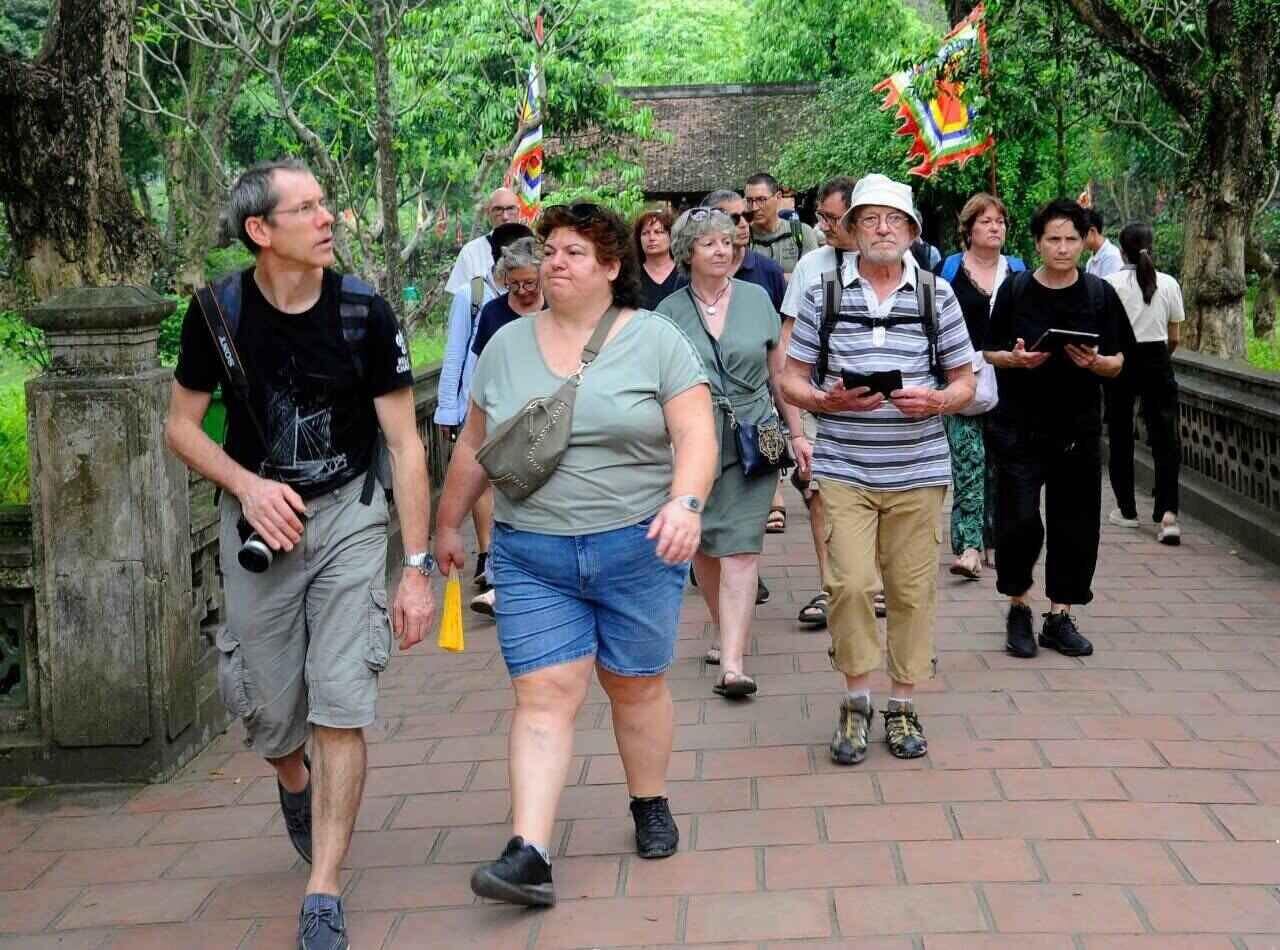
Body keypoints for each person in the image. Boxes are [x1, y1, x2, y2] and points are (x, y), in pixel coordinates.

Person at [164, 159, 434, 950]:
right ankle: (292, 778)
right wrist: (247, 486)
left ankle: (324, 887)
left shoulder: (363, 313)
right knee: (273, 710)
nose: (328, 220)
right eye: (308, 208)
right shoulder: (216, 312)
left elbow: (406, 447)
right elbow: (180, 427)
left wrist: (414, 569)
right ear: (260, 231)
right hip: (257, 526)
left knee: (339, 700)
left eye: (327, 204)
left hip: (349, 516)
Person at [434, 202, 717, 907]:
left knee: (635, 684)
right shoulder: (503, 345)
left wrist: (685, 503)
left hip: (638, 545)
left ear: (611, 268)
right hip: (533, 554)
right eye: (549, 250)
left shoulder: (655, 338)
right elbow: (475, 444)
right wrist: (444, 528)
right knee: (543, 695)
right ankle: (528, 850)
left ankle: (648, 799)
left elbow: (696, 433)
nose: (553, 262)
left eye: (573, 253)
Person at [779, 173, 976, 766]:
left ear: (913, 231)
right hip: (845, 466)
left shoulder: (936, 296)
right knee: (850, 585)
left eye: (894, 220)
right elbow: (792, 377)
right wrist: (826, 401)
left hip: (918, 468)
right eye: (870, 220)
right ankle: (856, 700)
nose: (882, 229)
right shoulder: (824, 295)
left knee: (913, 592)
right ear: (850, 231)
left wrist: (937, 400)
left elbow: (966, 380)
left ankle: (903, 704)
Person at [657, 207, 803, 698]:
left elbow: (779, 373)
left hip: (754, 433)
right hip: (693, 437)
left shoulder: (759, 298)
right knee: (704, 545)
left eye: (727, 242)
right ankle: (724, 632)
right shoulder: (668, 313)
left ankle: (734, 664)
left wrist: (798, 434)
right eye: (709, 243)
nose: (722, 250)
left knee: (741, 547)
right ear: (687, 253)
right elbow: (656, 387)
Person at [984, 199, 1132, 660]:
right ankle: (1018, 607)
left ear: (1084, 241)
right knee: (1019, 520)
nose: (1063, 247)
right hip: (1019, 428)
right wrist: (1015, 358)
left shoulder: (1098, 294)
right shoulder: (1015, 290)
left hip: (1078, 430)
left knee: (1075, 525)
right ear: (1037, 242)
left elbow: (1120, 361)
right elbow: (988, 351)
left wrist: (1097, 362)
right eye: (1054, 239)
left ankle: (1060, 615)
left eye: (1071, 239)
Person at [435, 222, 534, 611]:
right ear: (504, 278)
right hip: (499, 418)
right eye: (517, 284)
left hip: (548, 419)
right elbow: (468, 362)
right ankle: (499, 577)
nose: (525, 293)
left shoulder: (558, 308)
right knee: (500, 497)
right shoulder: (488, 309)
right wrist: (455, 410)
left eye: (532, 284)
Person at [779, 175, 859, 627]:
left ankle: (868, 584)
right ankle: (831, 586)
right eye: (822, 217)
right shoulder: (811, 265)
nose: (823, 225)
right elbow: (787, 343)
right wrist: (795, 417)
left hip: (878, 407)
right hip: (818, 398)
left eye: (832, 217)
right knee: (818, 494)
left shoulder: (893, 261)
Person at [935, 193, 1027, 579]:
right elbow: (933, 320)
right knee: (969, 462)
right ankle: (969, 545)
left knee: (1003, 464)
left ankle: (995, 538)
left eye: (1000, 221)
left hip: (1009, 379)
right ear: (969, 228)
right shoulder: (950, 269)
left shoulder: (1019, 270)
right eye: (986, 221)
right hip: (961, 378)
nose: (995, 227)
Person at [705, 188, 788, 590]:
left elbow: (778, 365)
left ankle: (745, 565)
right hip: (704, 428)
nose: (738, 225)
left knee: (746, 535)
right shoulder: (676, 304)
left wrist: (796, 432)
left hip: (762, 422)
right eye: (725, 219)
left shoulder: (764, 278)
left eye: (740, 219)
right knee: (708, 531)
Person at [1104, 222, 1185, 544]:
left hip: (1121, 361)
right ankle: (1168, 516)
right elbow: (1175, 337)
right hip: (1157, 361)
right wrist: (1160, 357)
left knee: (1121, 436)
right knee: (1165, 438)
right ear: (1151, 246)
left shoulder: (1109, 284)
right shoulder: (1168, 283)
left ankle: (1127, 510)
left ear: (1121, 250)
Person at [471, 236, 545, 358]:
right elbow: (483, 365)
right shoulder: (491, 312)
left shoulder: (556, 309)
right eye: (513, 283)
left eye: (529, 283)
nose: (521, 291)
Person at [444, 187, 522, 294]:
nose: (505, 216)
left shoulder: (534, 250)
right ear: (488, 212)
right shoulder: (470, 252)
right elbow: (460, 299)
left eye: (510, 209)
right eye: (498, 209)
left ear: (519, 211)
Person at [744, 172, 821, 277]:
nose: (754, 207)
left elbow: (813, 277)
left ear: (778, 197)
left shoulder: (801, 232)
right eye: (749, 201)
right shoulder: (744, 237)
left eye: (761, 200)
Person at [634, 207, 687, 309]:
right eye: (645, 233)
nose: (651, 238)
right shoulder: (631, 276)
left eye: (658, 232)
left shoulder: (685, 273)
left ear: (671, 235)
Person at [1083, 208, 1124, 279]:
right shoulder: (1091, 261)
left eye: (1080, 235)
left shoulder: (1111, 257)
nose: (1077, 240)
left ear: (1092, 231)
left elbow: (1110, 289)